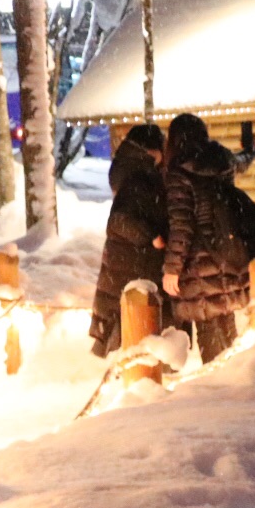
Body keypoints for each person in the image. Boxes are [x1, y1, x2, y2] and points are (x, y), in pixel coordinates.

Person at [162, 115, 255, 363]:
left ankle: (219, 395)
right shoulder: (222, 160)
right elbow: (242, 161)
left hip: (200, 261)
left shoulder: (179, 172)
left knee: (210, 339)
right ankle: (236, 385)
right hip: (226, 252)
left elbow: (181, 226)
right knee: (226, 329)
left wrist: (172, 268)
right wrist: (251, 149)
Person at [88, 123, 169, 357]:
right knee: (127, 322)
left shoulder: (132, 172)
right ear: (150, 150)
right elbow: (120, 220)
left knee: (123, 316)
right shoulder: (139, 176)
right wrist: (152, 236)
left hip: (127, 260)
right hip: (132, 261)